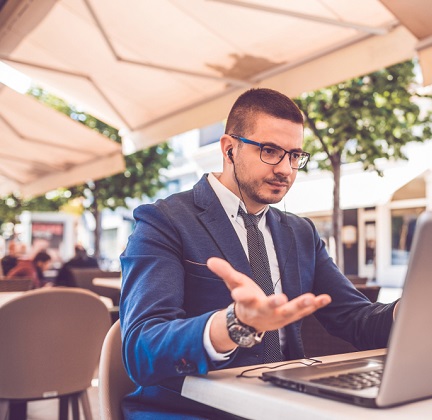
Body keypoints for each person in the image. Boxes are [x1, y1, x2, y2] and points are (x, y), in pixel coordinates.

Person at [120, 88, 399, 419]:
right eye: (270, 151)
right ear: (229, 149)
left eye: (295, 155)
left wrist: (413, 311)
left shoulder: (300, 233)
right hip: (192, 409)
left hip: (283, 405)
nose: (286, 169)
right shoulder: (164, 221)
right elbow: (141, 349)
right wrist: (235, 324)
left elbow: (356, 319)